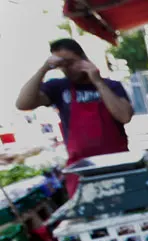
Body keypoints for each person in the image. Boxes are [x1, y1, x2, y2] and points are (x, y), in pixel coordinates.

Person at [16, 38, 133, 197]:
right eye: (62, 65)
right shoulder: (58, 87)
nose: (67, 69)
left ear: (83, 59)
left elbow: (125, 116)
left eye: (71, 62)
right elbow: (23, 103)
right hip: (81, 171)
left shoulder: (111, 86)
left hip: (118, 165)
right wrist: (44, 69)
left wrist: (97, 81)